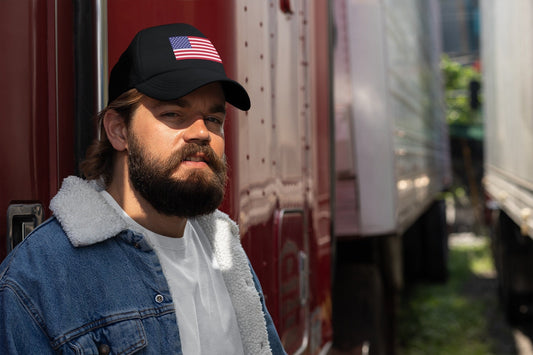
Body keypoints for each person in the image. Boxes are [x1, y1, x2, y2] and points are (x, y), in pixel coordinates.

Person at [0, 23, 285, 354]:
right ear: (119, 131)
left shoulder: (225, 249)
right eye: (174, 113)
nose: (202, 133)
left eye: (213, 119)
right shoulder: (40, 279)